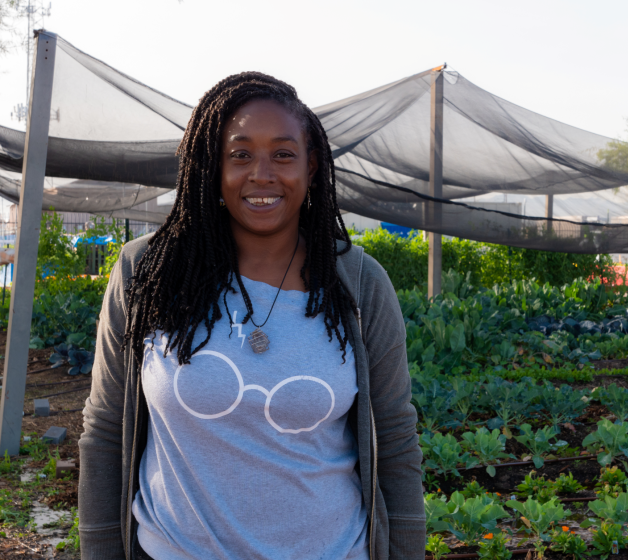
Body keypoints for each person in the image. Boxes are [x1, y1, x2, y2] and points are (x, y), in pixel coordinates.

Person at [78, 72, 425, 560]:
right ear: (210, 167)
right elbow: (105, 431)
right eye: (239, 154)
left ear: (312, 166)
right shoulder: (147, 274)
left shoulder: (360, 284)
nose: (262, 174)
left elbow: (394, 438)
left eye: (283, 154)